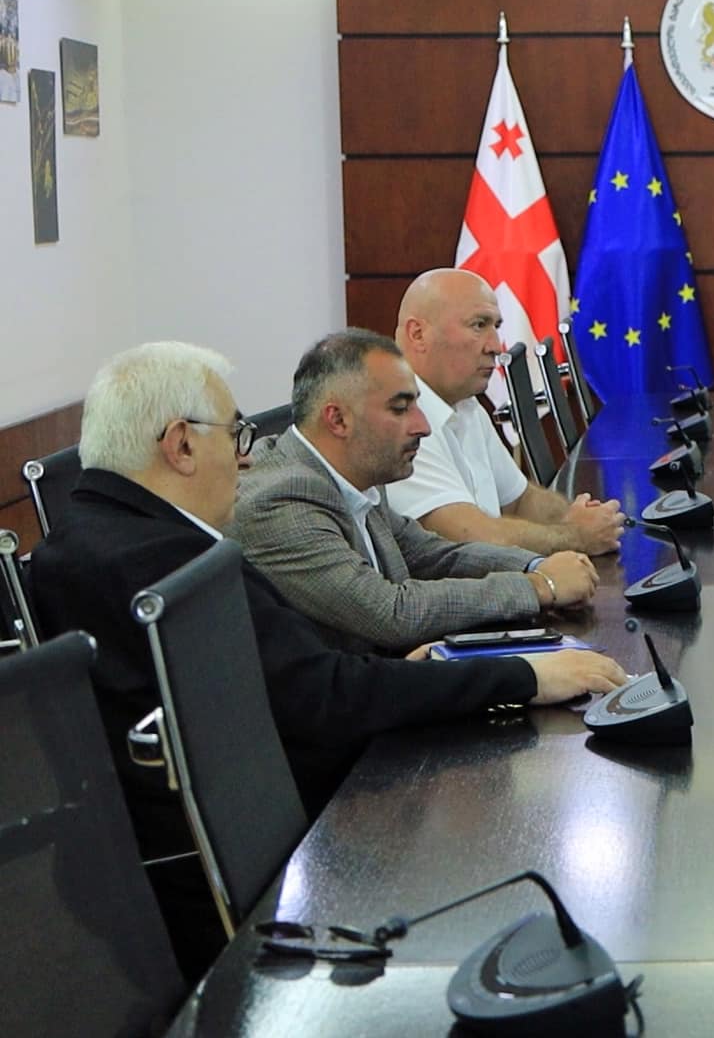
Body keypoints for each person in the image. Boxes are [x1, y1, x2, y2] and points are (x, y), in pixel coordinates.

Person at [29, 342, 622, 980]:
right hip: (255, 869)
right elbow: (323, 696)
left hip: (171, 850)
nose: (246, 456)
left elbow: (297, 681)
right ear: (180, 445)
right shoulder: (173, 565)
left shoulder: (88, 538)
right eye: (235, 434)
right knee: (504, 841)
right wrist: (524, 676)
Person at [233, 330, 597, 654]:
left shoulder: (355, 473)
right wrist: (539, 586)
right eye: (400, 409)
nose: (423, 426)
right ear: (338, 419)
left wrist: (536, 565)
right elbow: (391, 613)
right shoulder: (279, 501)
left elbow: (430, 554)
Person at [385, 268, 624, 552]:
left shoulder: (466, 404)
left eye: (496, 326)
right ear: (418, 334)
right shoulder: (395, 419)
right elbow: (468, 539)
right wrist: (575, 535)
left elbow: (520, 500)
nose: (497, 346)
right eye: (478, 325)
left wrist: (581, 516)